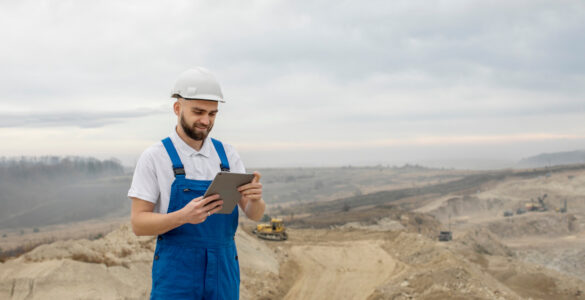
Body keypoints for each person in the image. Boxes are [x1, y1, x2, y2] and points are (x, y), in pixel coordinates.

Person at [128, 67, 266, 300]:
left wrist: (256, 200)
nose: (205, 120)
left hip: (223, 270)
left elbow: (254, 214)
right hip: (176, 273)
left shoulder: (228, 156)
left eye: (212, 114)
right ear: (177, 108)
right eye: (198, 112)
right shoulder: (155, 157)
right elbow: (138, 224)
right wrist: (182, 217)